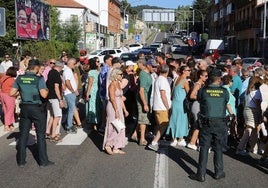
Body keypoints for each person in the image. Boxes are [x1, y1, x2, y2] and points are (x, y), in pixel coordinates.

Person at [190, 69, 232, 182]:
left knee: (204, 148)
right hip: (220, 123)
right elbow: (226, 102)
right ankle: (218, 172)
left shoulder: (203, 91)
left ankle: (201, 174)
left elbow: (199, 99)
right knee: (218, 148)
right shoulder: (224, 91)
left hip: (206, 123)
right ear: (219, 79)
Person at [10, 59, 54, 167]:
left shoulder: (20, 78)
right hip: (37, 108)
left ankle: (21, 161)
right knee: (40, 135)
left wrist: (22, 93)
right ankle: (43, 161)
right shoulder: (39, 79)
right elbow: (43, 95)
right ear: (37, 67)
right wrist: (47, 90)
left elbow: (11, 93)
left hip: (24, 108)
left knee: (23, 135)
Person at [103, 68, 128, 155]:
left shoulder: (118, 83)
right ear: (116, 75)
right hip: (113, 107)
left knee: (120, 126)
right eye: (120, 74)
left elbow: (120, 98)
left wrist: (124, 110)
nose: (122, 76)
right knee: (112, 125)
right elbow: (112, 98)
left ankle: (116, 146)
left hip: (119, 106)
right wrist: (116, 110)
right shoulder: (112, 85)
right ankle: (108, 144)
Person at [148, 65, 171, 151]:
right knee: (163, 125)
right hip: (161, 107)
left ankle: (155, 139)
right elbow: (163, 95)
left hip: (158, 106)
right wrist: (167, 107)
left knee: (159, 125)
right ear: (167, 71)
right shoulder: (162, 80)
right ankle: (154, 142)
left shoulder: (159, 79)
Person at [166, 65, 191, 147]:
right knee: (182, 120)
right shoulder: (185, 81)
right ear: (184, 71)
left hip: (175, 102)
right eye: (188, 70)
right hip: (181, 103)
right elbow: (189, 93)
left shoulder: (177, 78)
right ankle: (180, 138)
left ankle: (174, 139)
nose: (189, 71)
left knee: (174, 119)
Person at [132, 58, 153, 146]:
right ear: (147, 65)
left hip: (146, 98)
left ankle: (135, 134)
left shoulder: (147, 74)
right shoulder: (143, 74)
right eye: (153, 66)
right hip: (143, 99)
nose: (155, 68)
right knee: (143, 119)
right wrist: (144, 103)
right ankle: (142, 139)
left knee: (143, 117)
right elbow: (141, 90)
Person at [187, 70, 208, 151]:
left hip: (200, 105)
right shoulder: (198, 84)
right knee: (198, 124)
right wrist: (201, 97)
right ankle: (192, 142)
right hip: (197, 105)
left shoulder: (202, 84)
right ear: (200, 76)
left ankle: (195, 141)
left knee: (198, 124)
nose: (207, 77)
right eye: (205, 76)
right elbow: (191, 96)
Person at [46, 61, 65, 143]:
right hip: (55, 97)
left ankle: (47, 131)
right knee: (57, 116)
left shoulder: (50, 72)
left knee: (52, 115)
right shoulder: (57, 74)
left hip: (49, 96)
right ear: (60, 67)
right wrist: (60, 99)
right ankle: (53, 135)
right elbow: (56, 87)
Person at [63, 58, 79, 134]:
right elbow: (67, 82)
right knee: (71, 110)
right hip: (69, 93)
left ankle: (68, 124)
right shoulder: (68, 71)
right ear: (71, 63)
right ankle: (69, 126)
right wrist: (73, 90)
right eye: (74, 64)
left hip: (69, 92)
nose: (75, 65)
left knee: (71, 109)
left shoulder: (68, 70)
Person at [85, 58, 101, 130]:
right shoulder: (97, 71)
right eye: (97, 62)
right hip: (96, 90)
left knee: (92, 106)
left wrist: (87, 93)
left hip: (92, 91)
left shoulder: (91, 72)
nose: (99, 63)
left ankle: (93, 122)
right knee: (96, 105)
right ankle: (96, 121)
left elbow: (90, 84)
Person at [0, 67, 17, 131]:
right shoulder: (12, 80)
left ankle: (10, 124)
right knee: (10, 110)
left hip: (2, 94)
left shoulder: (3, 77)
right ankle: (7, 125)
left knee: (5, 110)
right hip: (9, 95)